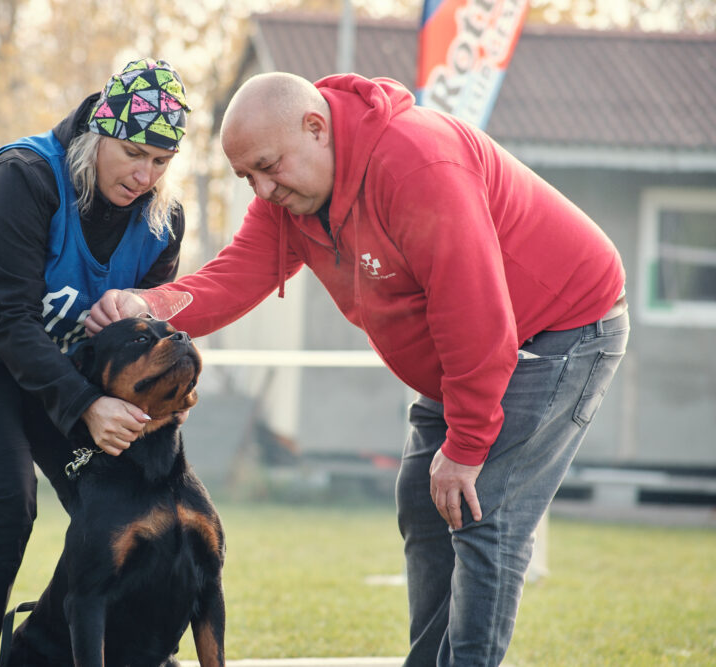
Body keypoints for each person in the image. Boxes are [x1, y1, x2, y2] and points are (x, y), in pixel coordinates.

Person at [87, 71, 629, 666]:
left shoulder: (417, 166)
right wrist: (148, 305)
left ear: (316, 128)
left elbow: (477, 315)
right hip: (468, 349)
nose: (263, 190)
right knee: (424, 502)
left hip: (556, 330)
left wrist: (468, 445)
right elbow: (236, 275)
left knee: (482, 512)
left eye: (268, 167)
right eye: (247, 178)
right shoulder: (290, 195)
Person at [0, 58, 192, 666]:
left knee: (127, 500)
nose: (145, 175)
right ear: (97, 134)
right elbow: (5, 317)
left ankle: (131, 656)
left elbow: (138, 335)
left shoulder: (163, 219)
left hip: (44, 353)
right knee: (4, 499)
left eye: (161, 161)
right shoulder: (23, 177)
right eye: (132, 152)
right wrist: (86, 404)